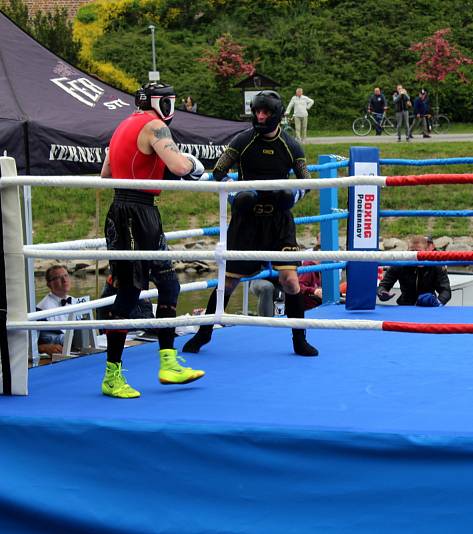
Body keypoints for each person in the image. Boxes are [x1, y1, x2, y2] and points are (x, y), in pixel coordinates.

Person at [182, 90, 318, 357]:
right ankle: (203, 333)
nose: (260, 116)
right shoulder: (242, 140)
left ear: (276, 115)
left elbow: (307, 182)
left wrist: (293, 195)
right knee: (228, 282)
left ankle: (299, 339)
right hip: (247, 221)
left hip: (279, 222)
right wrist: (236, 194)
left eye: (265, 112)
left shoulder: (291, 146)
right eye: (257, 111)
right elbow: (218, 173)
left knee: (290, 281)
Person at [99, 81, 206, 399]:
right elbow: (178, 166)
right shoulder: (154, 125)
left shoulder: (124, 125)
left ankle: (168, 363)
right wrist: (193, 166)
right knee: (130, 292)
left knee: (169, 285)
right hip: (133, 212)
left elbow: (106, 173)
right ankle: (112, 376)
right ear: (163, 103)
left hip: (135, 210)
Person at [377, 235, 451, 306]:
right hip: (405, 306)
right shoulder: (399, 264)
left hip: (428, 306)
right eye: (412, 251)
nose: (415, 254)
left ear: (427, 251)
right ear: (407, 250)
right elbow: (383, 285)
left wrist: (437, 302)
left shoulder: (436, 265)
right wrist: (382, 293)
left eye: (418, 251)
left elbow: (446, 291)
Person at [35, 265, 76, 357]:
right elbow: (32, 342)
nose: (64, 280)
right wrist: (44, 347)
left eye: (66, 276)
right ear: (49, 284)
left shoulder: (75, 301)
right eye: (58, 278)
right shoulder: (40, 310)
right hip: (56, 356)